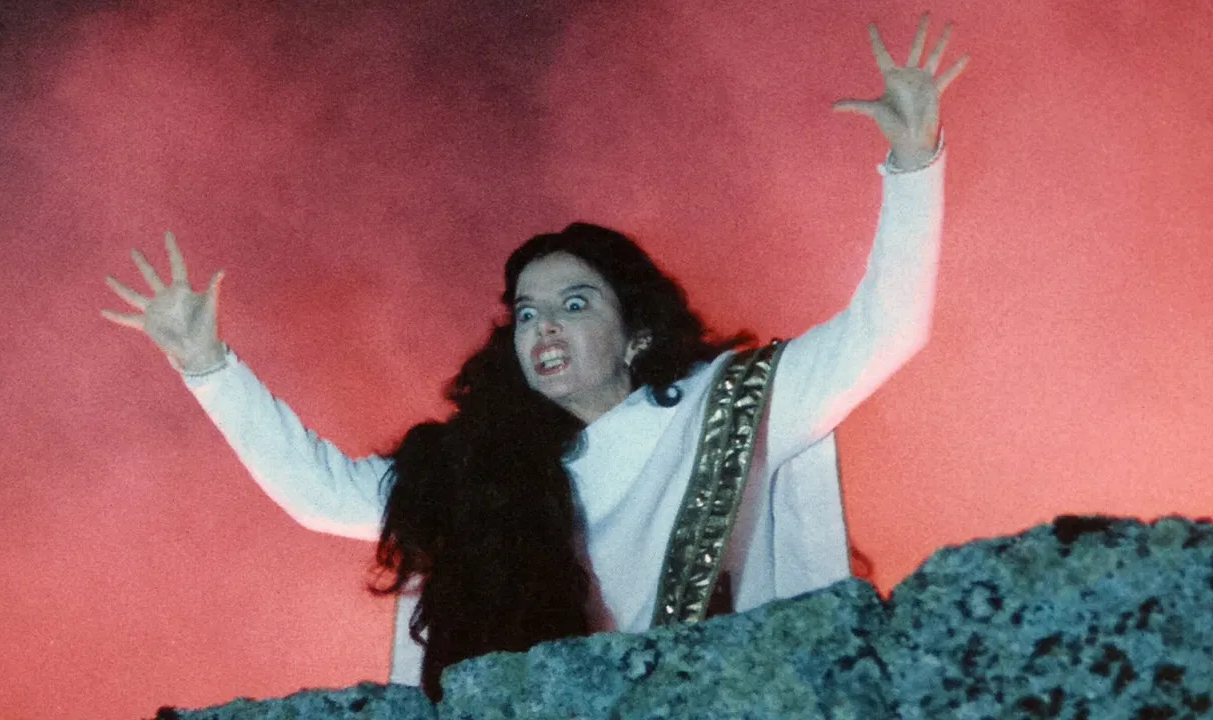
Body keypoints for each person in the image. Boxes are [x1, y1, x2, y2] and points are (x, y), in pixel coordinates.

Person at [102, 15, 967, 700]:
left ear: (637, 334)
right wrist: (207, 365)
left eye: (574, 304)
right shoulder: (473, 472)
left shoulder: (731, 407)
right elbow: (321, 494)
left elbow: (886, 331)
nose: (542, 326)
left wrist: (914, 162)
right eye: (525, 313)